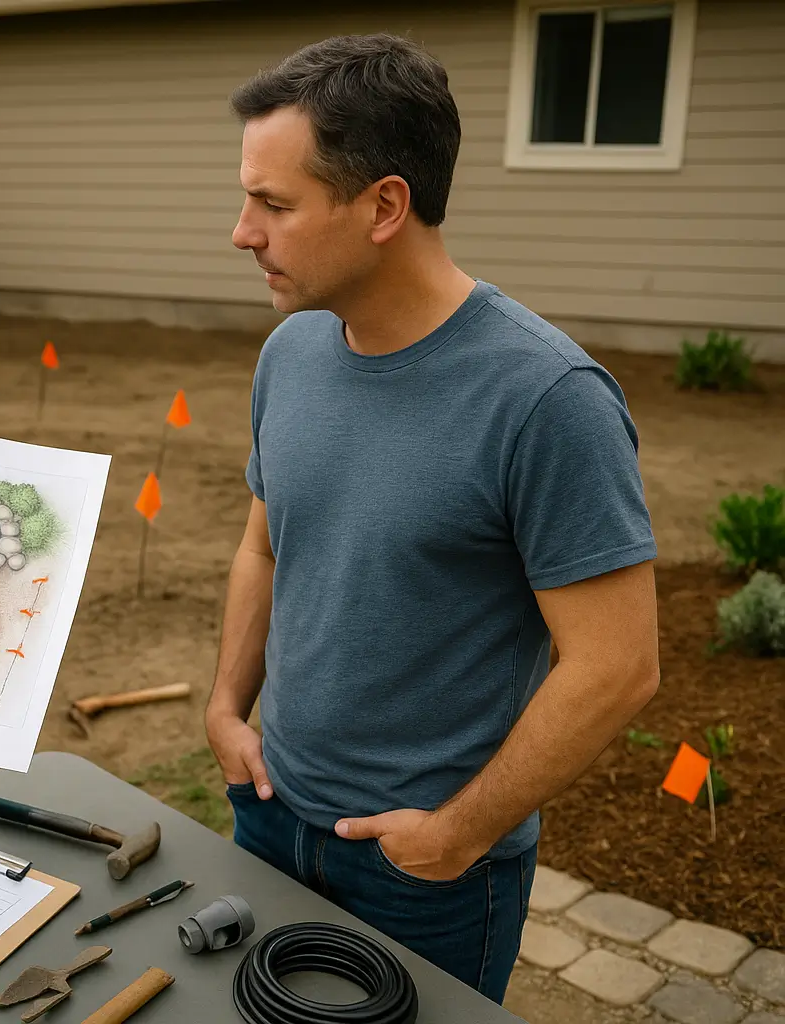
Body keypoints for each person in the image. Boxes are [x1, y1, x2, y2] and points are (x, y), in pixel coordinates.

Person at [206, 33, 660, 1003]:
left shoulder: (548, 397)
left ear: (384, 205)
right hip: (270, 810)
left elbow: (618, 666)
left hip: (424, 870)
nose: (242, 231)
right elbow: (263, 543)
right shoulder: (289, 354)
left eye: (274, 204)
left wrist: (458, 831)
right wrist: (223, 709)